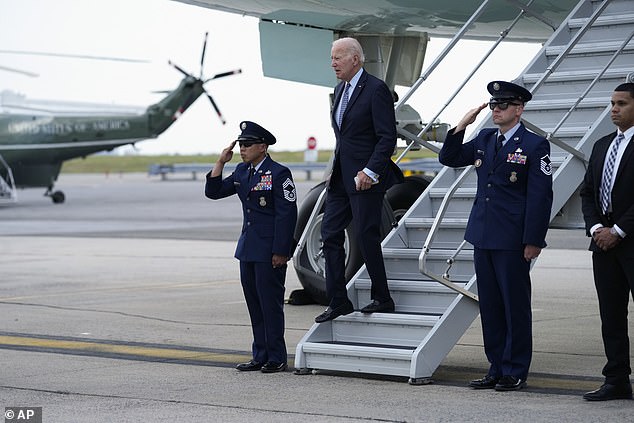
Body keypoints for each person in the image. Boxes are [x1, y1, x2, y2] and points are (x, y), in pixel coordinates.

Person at [438, 80, 553, 391]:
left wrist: (533, 240)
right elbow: (448, 157)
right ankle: (496, 367)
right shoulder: (485, 138)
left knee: (514, 306)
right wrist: (462, 124)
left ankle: (515, 370)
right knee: (490, 306)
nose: (495, 110)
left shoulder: (534, 145)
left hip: (513, 239)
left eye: (502, 105)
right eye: (492, 105)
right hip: (483, 234)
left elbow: (540, 197)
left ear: (518, 109)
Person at [314, 37, 404, 324]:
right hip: (341, 177)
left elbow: (387, 138)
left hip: (366, 178)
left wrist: (371, 171)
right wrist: (335, 167)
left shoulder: (376, 90)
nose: (333, 63)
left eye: (338, 57)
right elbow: (345, 136)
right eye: (332, 58)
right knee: (329, 234)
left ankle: (382, 297)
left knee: (367, 236)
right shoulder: (340, 90)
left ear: (355, 58)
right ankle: (338, 300)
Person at [205, 121, 298, 373]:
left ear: (263, 147)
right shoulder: (242, 172)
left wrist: (281, 251)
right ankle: (259, 355)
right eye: (241, 145)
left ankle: (276, 357)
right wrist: (220, 162)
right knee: (254, 305)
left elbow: (287, 214)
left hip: (269, 251)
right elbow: (213, 192)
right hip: (248, 249)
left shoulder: (279, 173)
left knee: (270, 304)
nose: (242, 149)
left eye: (247, 145)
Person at [580, 82, 634, 401]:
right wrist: (598, 227)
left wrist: (619, 231)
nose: (614, 109)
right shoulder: (602, 145)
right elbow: (588, 192)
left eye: (622, 103)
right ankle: (616, 379)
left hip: (630, 240)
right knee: (611, 314)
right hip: (602, 244)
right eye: (612, 103)